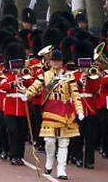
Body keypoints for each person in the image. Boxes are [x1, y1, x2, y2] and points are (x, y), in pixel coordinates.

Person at [26, 49, 84, 180]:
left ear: (62, 62)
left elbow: (75, 95)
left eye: (58, 61)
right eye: (54, 61)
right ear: (50, 62)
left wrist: (79, 110)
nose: (56, 63)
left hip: (65, 113)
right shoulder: (45, 75)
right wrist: (27, 94)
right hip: (50, 111)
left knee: (64, 143)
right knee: (49, 141)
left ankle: (61, 169)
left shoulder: (69, 76)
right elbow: (35, 87)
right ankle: (49, 162)